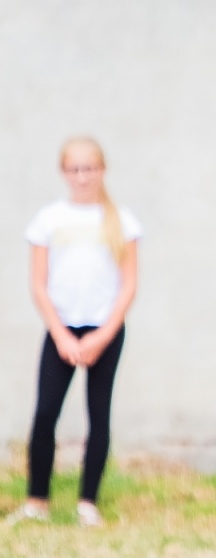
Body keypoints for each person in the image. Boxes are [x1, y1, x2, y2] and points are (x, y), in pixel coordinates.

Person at [8, 137, 141, 527]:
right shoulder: (49, 220)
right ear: (64, 173)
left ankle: (88, 502)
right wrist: (62, 335)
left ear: (102, 170)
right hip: (62, 329)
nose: (83, 176)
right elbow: (38, 283)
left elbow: (128, 284)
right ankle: (37, 501)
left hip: (105, 330)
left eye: (90, 168)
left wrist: (102, 336)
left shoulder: (122, 221)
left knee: (98, 415)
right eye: (75, 169)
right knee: (45, 413)